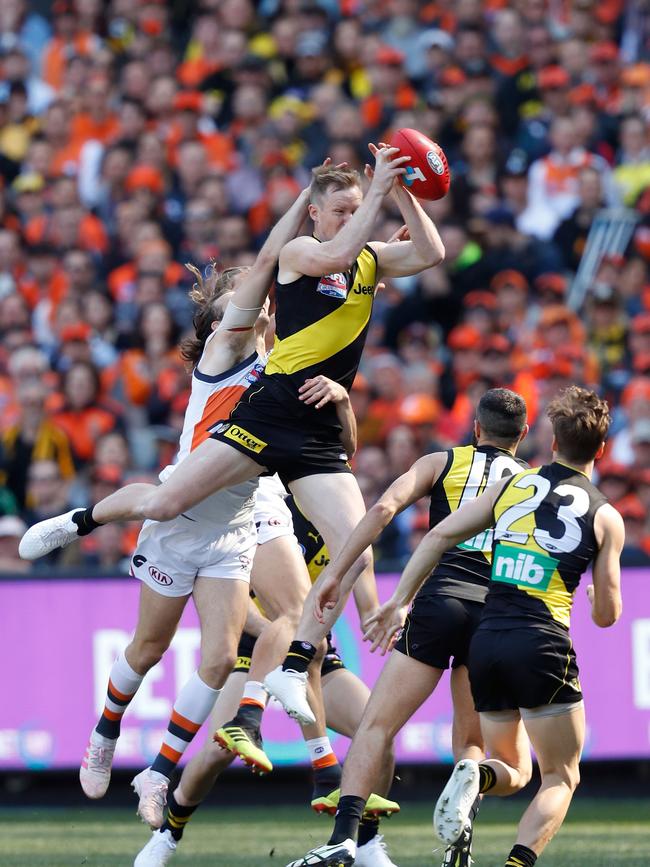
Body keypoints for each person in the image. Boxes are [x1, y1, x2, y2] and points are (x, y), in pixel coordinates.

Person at [20, 146, 445, 725]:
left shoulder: (370, 258)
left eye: (355, 207)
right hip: (268, 413)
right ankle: (79, 521)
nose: (350, 218)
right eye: (339, 209)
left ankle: (297, 665)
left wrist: (400, 190)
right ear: (315, 215)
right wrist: (373, 196)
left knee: (356, 547)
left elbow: (431, 252)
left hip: (316, 428)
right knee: (168, 500)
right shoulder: (302, 252)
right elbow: (340, 250)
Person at [78, 184, 313, 822]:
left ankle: (160, 773)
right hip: (185, 513)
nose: (258, 306)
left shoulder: (278, 356)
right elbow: (269, 267)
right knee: (148, 647)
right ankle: (105, 734)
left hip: (240, 516)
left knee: (225, 650)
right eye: (246, 303)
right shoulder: (224, 351)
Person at [366, 386, 624, 867]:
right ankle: (513, 857)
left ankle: (476, 775)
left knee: (511, 767)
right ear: (601, 450)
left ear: (551, 442)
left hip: (487, 638)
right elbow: (607, 617)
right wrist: (593, 593)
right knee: (560, 777)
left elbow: (440, 533)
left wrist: (400, 599)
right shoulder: (605, 515)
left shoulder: (514, 485)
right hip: (543, 640)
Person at [287, 388, 530, 867]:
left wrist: (338, 572)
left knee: (376, 724)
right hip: (496, 612)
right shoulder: (531, 483)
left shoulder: (440, 462)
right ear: (522, 435)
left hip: (441, 601)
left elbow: (381, 510)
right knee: (472, 748)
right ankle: (459, 849)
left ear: (475, 428)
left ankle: (343, 839)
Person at [134, 494, 400, 867]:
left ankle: (366, 843)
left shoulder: (339, 518)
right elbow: (231, 604)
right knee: (217, 750)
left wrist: (376, 612)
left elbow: (360, 575)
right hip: (253, 651)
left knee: (377, 731)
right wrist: (286, 636)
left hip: (313, 651)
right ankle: (167, 835)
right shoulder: (256, 514)